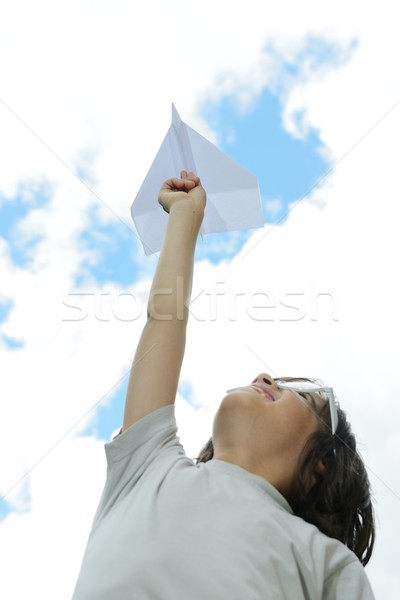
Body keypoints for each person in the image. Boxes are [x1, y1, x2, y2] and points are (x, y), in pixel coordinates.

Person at [72, 172, 375, 599]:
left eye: (302, 394)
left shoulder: (325, 562)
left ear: (322, 462)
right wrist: (185, 216)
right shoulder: (146, 465)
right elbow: (165, 315)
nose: (264, 377)